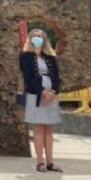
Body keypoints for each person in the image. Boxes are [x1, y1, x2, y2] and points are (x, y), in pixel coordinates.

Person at [20, 28, 62, 172]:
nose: (38, 38)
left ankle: (50, 161)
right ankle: (40, 161)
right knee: (38, 128)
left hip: (51, 95)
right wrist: (42, 91)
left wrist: (53, 91)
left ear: (45, 39)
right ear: (30, 38)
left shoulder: (50, 57)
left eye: (40, 36)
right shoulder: (25, 56)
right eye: (35, 36)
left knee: (49, 129)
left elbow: (56, 76)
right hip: (35, 94)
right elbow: (28, 77)